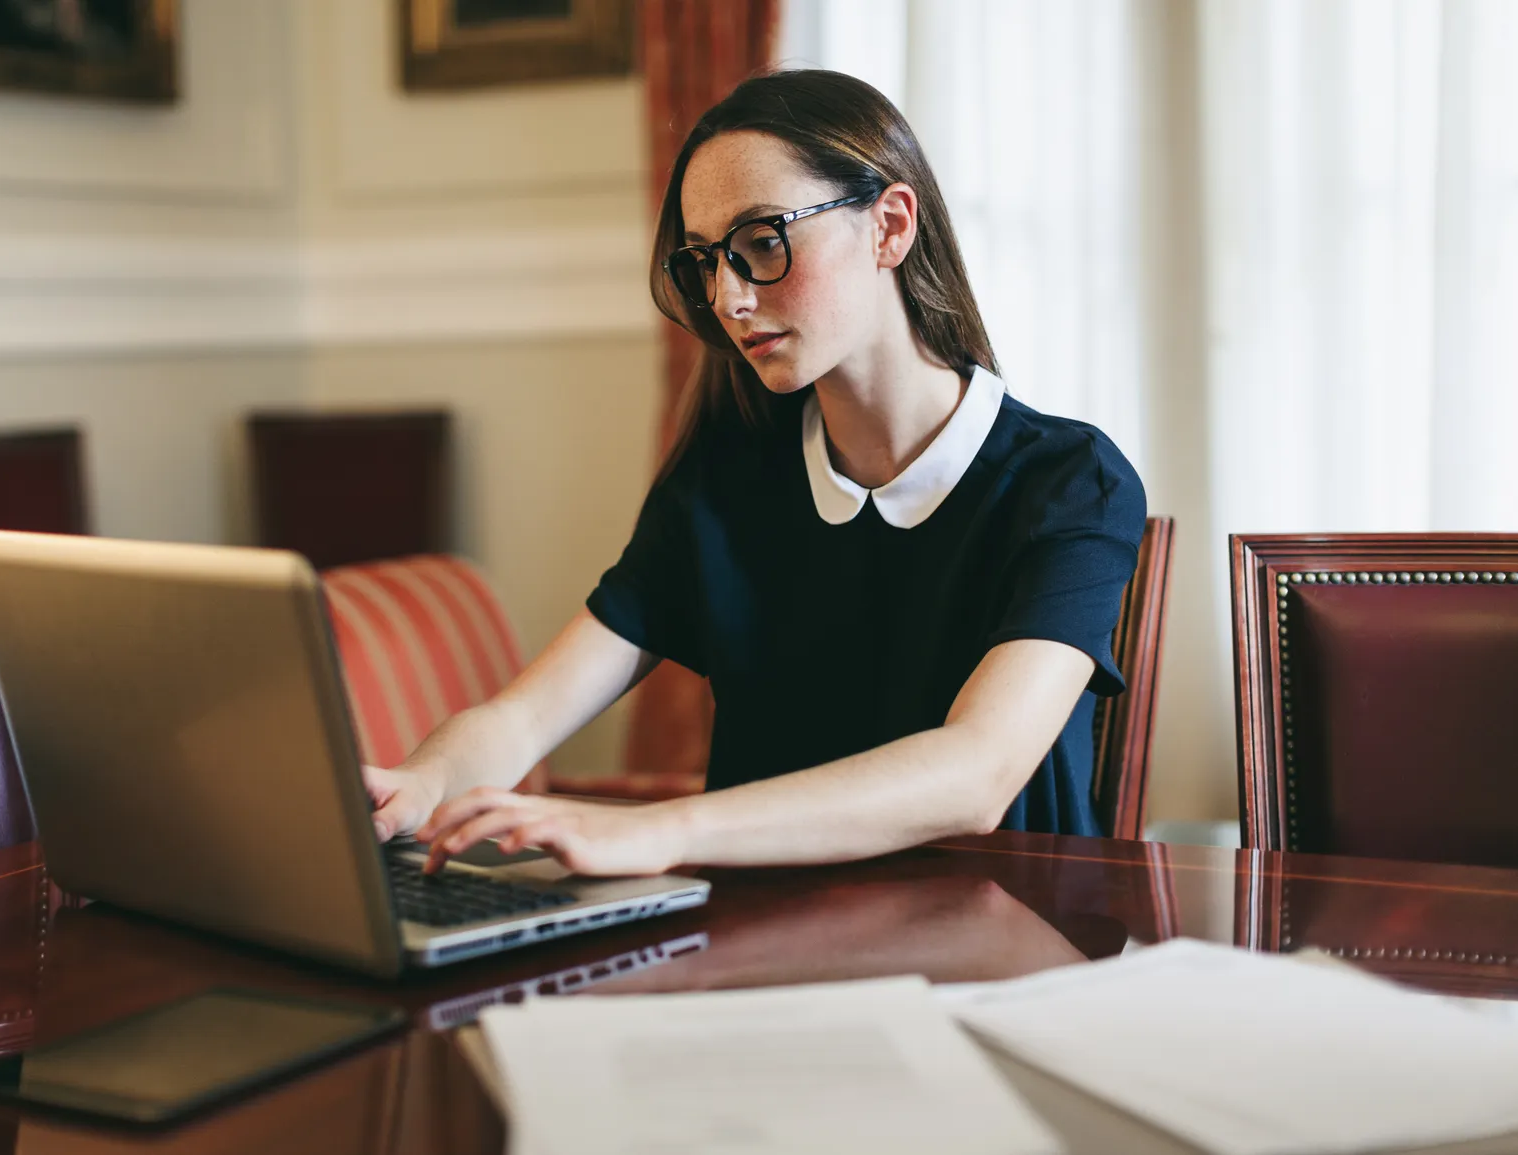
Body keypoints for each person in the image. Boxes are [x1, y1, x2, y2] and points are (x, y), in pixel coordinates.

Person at [365, 69, 1146, 876]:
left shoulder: (1068, 481)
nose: (728, 298)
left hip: (1000, 955)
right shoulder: (725, 473)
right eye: (705, 262)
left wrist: (661, 829)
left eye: (762, 243)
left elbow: (977, 774)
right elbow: (522, 718)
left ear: (889, 226)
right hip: (762, 952)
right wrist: (419, 782)